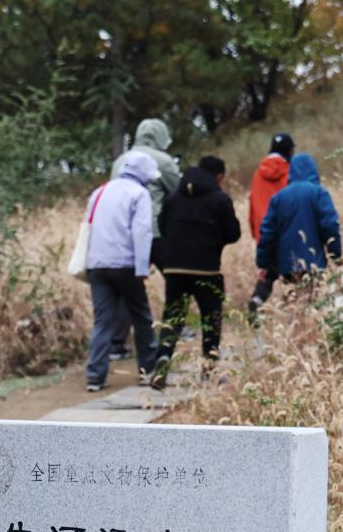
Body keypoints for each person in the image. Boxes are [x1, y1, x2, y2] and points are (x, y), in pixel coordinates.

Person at [151, 156, 241, 389]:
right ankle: (208, 370)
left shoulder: (173, 198)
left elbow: (162, 227)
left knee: (172, 318)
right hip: (206, 269)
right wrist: (214, 241)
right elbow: (233, 233)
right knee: (211, 319)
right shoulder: (220, 199)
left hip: (174, 268)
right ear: (219, 176)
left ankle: (162, 359)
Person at [83, 151, 161, 392]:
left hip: (97, 264)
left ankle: (95, 376)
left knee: (102, 321)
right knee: (141, 317)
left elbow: (88, 226)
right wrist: (142, 266)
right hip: (125, 264)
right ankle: (148, 370)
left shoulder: (100, 191)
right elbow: (142, 232)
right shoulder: (139, 194)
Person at [107, 118, 181, 360]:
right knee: (176, 280)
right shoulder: (164, 161)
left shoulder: (120, 161)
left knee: (125, 287)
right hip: (156, 231)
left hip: (125, 234)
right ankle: (173, 328)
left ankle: (116, 343)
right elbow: (177, 192)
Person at [255, 153, 341, 292]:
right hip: (315, 262)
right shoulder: (319, 193)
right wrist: (336, 254)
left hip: (287, 265)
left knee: (295, 299)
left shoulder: (278, 198)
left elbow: (267, 233)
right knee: (313, 300)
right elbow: (330, 226)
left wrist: (263, 263)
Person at [246, 132, 294, 321]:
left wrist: (255, 232)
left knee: (267, 273)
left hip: (263, 231)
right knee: (293, 275)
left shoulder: (258, 173)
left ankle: (257, 300)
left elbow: (252, 203)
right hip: (286, 231)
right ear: (290, 150)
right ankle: (295, 316)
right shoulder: (289, 171)